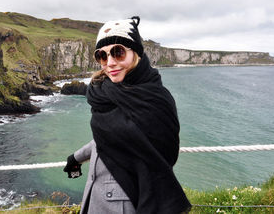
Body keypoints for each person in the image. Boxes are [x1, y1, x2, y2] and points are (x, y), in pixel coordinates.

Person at [63, 16, 191, 213]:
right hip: (94, 199)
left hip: (124, 204)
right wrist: (76, 158)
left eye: (118, 52)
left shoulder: (155, 100)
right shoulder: (103, 93)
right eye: (102, 56)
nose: (110, 62)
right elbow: (107, 138)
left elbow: (164, 155)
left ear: (135, 53)